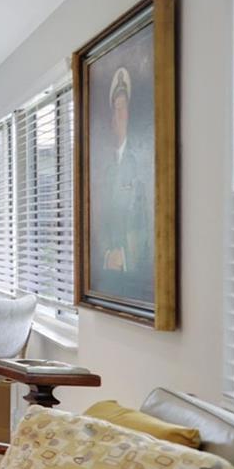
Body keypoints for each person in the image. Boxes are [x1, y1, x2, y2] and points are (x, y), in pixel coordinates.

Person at [94, 65, 152, 302]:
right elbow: (100, 221)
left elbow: (146, 223)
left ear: (129, 114)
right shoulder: (108, 169)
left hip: (133, 276)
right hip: (108, 272)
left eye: (122, 109)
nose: (117, 116)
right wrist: (108, 254)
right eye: (114, 110)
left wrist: (125, 256)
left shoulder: (140, 162)